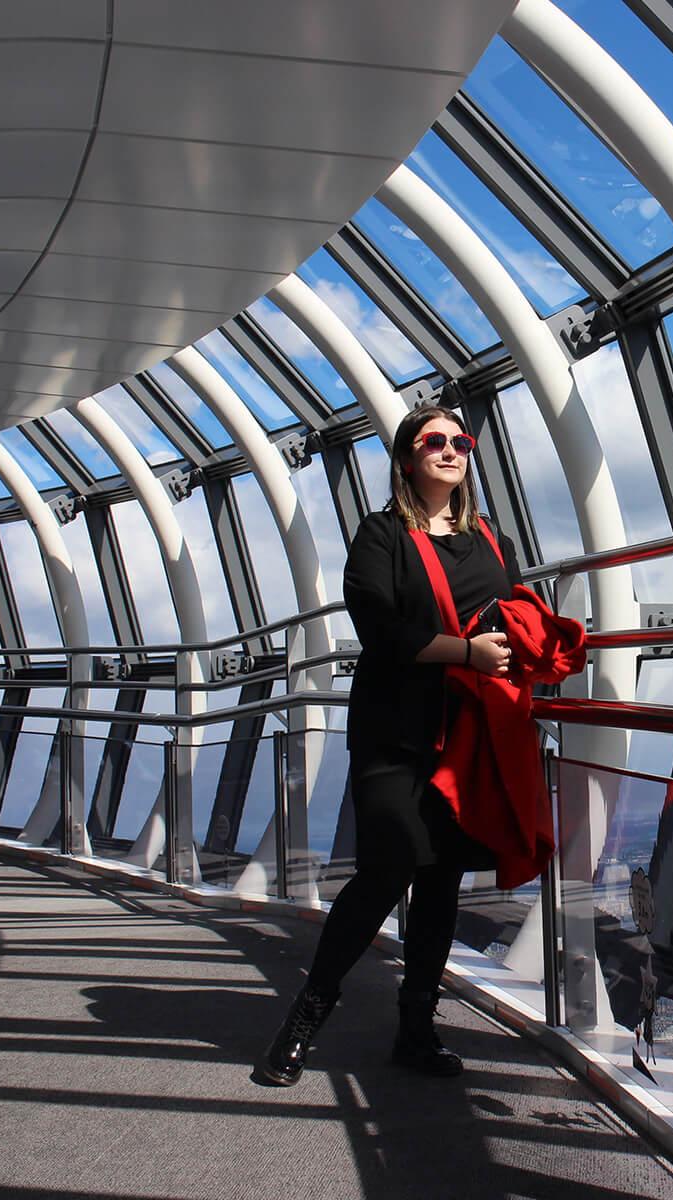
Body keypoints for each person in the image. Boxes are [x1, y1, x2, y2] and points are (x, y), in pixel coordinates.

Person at [257, 405, 531, 1087]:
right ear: (407, 459)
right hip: (394, 730)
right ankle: (306, 1014)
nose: (449, 449)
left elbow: (516, 609)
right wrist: (464, 652)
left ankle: (417, 1027)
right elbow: (379, 629)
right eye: (431, 441)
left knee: (440, 879)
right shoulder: (382, 535)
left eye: (459, 440)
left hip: (464, 737)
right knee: (388, 864)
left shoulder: (489, 541)